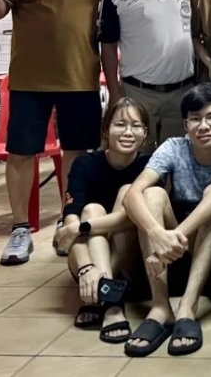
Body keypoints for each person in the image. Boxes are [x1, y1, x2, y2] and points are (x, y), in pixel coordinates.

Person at [0, 0, 115, 266]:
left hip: (81, 76)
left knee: (76, 153)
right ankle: (20, 229)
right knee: (22, 154)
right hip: (30, 78)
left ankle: (67, 221)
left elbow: (114, 6)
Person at [122, 84, 211, 357]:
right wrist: (158, 233)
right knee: (153, 194)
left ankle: (187, 308)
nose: (203, 126)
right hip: (175, 246)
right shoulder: (173, 147)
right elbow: (132, 194)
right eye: (195, 119)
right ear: (185, 124)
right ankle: (161, 307)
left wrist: (173, 236)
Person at [56, 98, 152, 344]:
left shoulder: (148, 166)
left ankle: (104, 297)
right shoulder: (85, 164)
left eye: (136, 126)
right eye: (120, 124)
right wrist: (87, 268)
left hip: (130, 259)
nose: (128, 132)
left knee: (128, 194)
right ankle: (111, 300)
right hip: (86, 257)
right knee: (91, 209)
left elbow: (129, 221)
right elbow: (70, 227)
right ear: (106, 131)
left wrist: (82, 227)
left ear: (145, 133)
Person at [99, 0, 194, 149]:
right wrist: (114, 92)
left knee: (177, 159)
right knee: (135, 156)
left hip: (182, 91)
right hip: (138, 92)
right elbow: (108, 46)